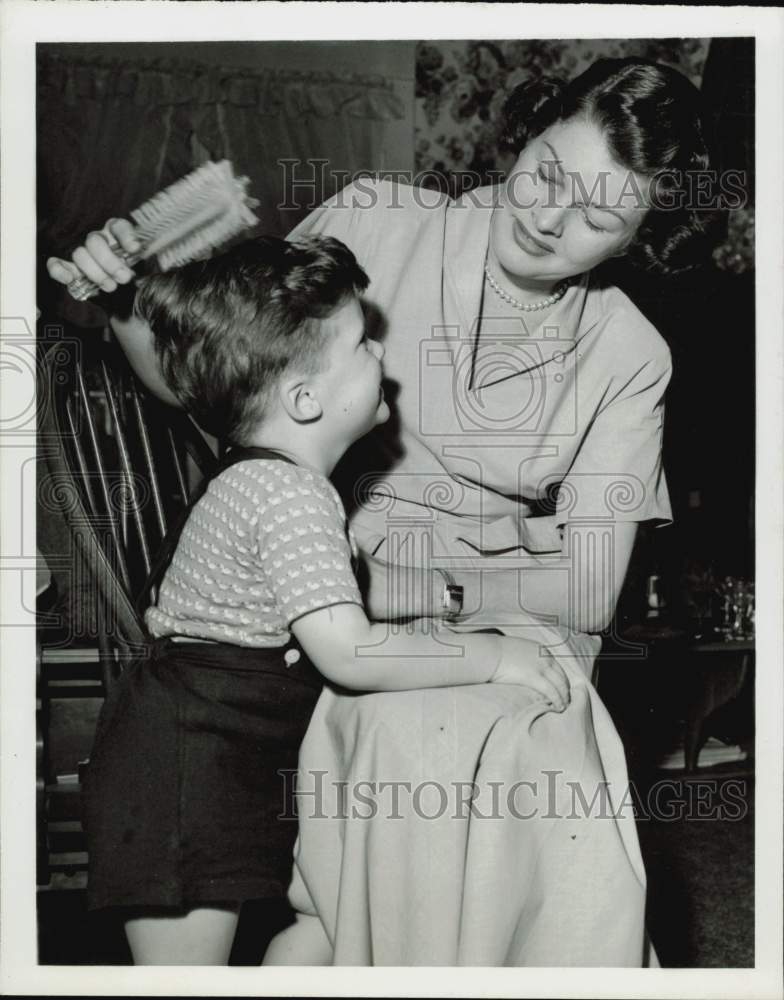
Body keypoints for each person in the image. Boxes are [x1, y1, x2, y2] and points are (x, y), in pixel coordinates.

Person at [48, 58, 719, 966]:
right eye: (549, 173)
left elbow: (589, 590)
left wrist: (426, 589)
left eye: (599, 218)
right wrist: (124, 300)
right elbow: (219, 382)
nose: (550, 219)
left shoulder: (632, 352)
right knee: (429, 738)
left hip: (520, 608)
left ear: (636, 241)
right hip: (322, 590)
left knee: (547, 739)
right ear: (527, 126)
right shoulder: (373, 214)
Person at [75, 233, 568, 965]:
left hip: (224, 747)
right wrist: (492, 657)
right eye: (363, 342)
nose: (379, 354)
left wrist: (448, 592)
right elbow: (347, 649)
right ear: (305, 399)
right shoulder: (289, 493)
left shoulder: (262, 471)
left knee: (332, 926)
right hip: (184, 766)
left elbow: (331, 589)